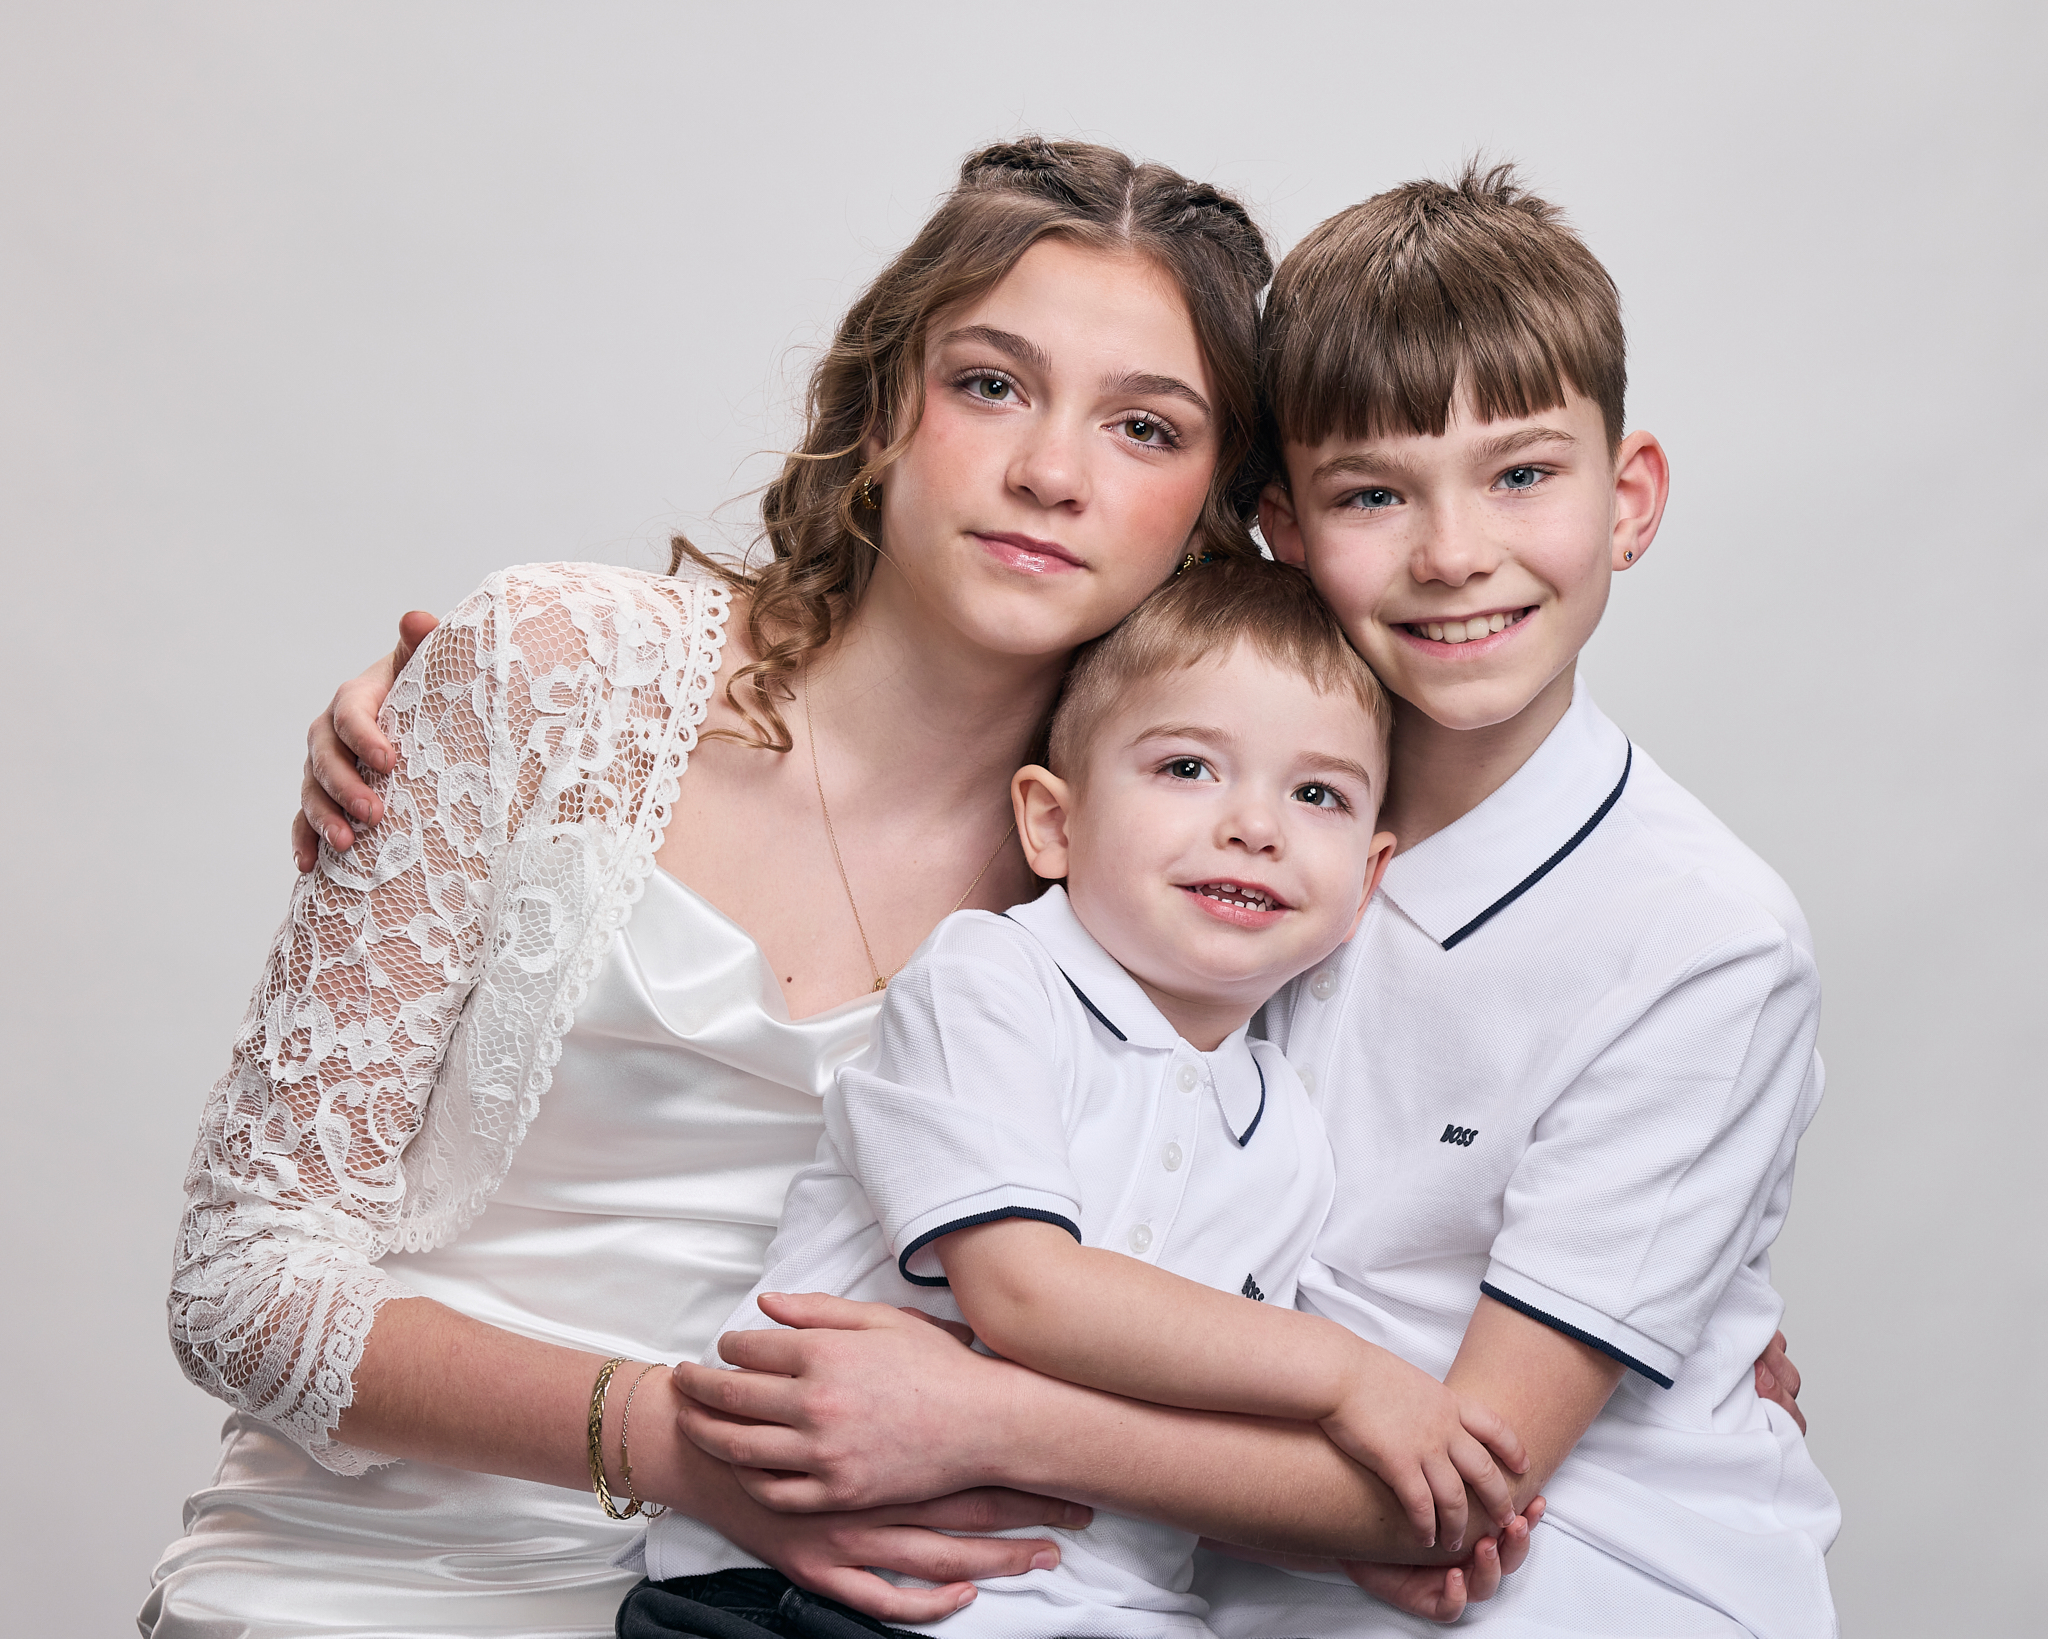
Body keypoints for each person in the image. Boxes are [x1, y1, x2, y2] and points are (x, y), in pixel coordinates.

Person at [148, 139, 1540, 1639]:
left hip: (841, 1605)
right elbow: (237, 1283)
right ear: (883, 406)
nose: (1050, 473)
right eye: (991, 384)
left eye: (1145, 427)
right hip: (367, 1577)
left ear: (1220, 510)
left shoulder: (1184, 884)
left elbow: (1339, 1239)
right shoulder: (557, 674)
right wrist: (692, 1449)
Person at [654, 165, 1839, 1637]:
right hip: (1184, 1572)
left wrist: (983, 1419)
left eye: (1523, 474)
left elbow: (1467, 1478)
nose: (1453, 552)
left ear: (1629, 497)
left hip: (1564, 1579)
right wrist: (468, 723)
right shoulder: (1184, 831)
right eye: (1372, 494)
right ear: (1281, 528)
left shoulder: (1701, 938)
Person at [624, 558, 1529, 1639]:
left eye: (1317, 794)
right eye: (1188, 767)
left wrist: (1334, 1545)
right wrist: (1349, 1380)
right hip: (813, 1592)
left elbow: (1184, 1425)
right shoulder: (988, 981)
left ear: (1366, 882)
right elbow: (1024, 1293)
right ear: (1051, 822)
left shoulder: (1290, 1135)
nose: (1256, 825)